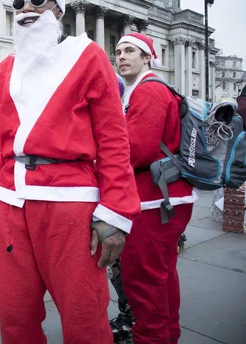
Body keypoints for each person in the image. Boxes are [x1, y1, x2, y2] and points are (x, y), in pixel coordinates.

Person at [0, 0, 141, 343]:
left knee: (83, 314)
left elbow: (114, 140)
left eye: (37, 0)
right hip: (10, 200)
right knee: (15, 314)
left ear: (57, 7)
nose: (27, 11)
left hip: (69, 203)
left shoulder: (89, 55)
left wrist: (115, 212)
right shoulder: (6, 68)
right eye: (19, 5)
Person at [116, 33, 197, 344]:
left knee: (143, 279)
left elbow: (136, 150)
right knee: (162, 275)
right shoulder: (150, 89)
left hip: (154, 199)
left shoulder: (149, 91)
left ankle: (151, 337)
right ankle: (167, 335)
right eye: (119, 51)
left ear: (148, 57)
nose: (121, 56)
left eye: (130, 51)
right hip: (166, 196)